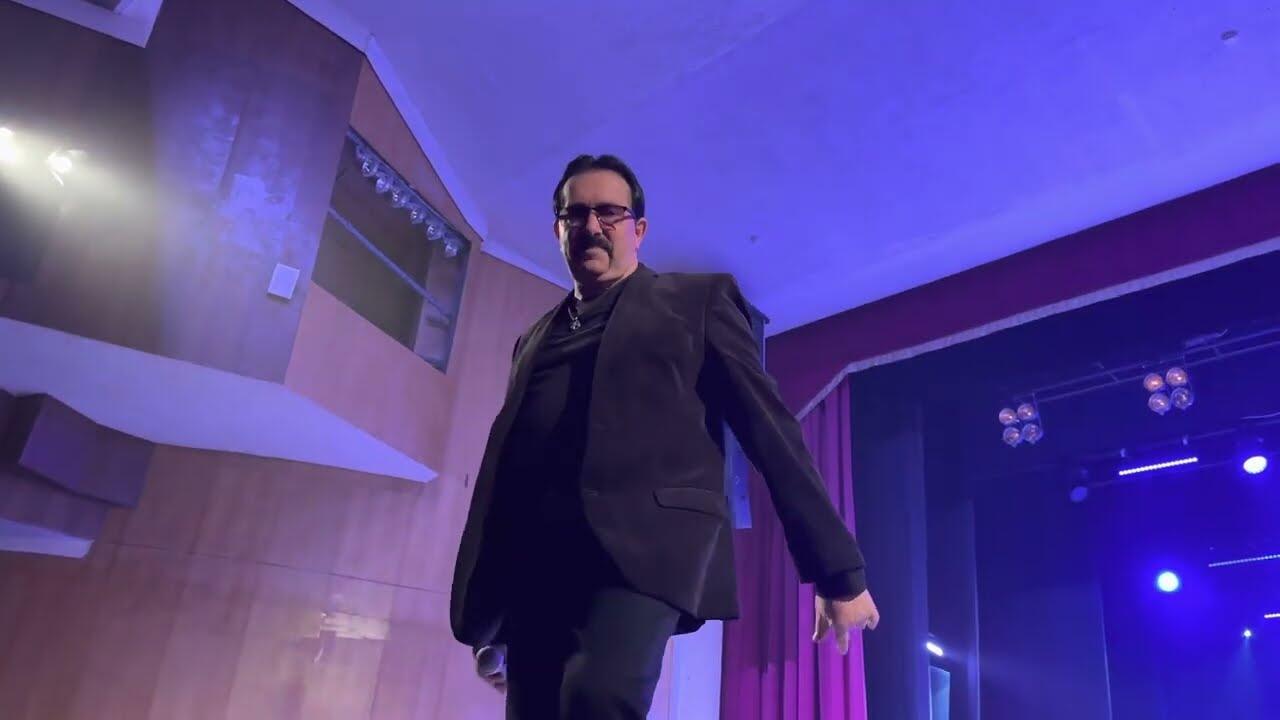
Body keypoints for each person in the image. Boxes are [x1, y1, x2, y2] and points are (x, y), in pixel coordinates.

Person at [450, 155, 879, 719]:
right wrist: (495, 613)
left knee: (596, 701)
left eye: (609, 212)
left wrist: (838, 572)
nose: (591, 226)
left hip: (640, 553)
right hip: (537, 565)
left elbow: (770, 429)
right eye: (575, 215)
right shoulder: (530, 340)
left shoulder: (696, 302)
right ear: (558, 231)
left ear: (639, 229)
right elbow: (511, 470)